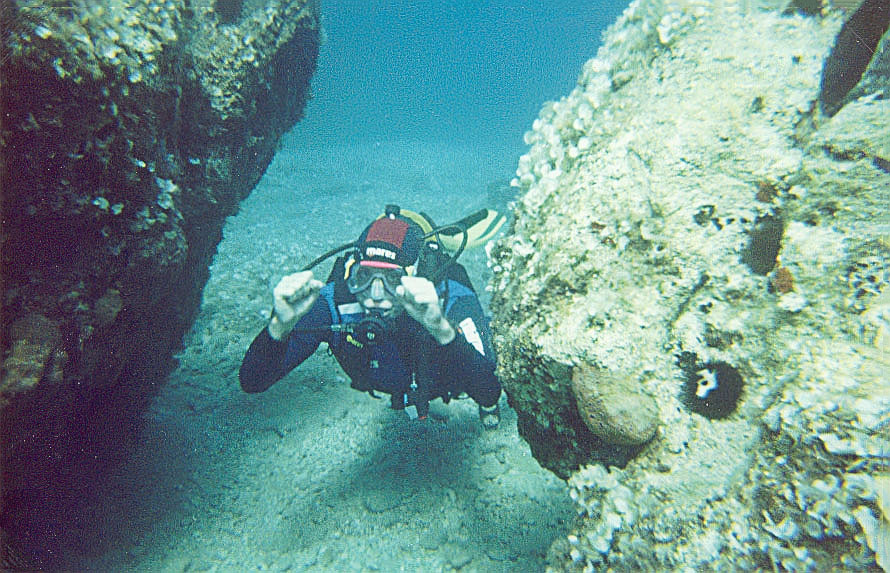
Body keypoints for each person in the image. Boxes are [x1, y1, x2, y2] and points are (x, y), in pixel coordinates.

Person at [239, 205, 503, 428]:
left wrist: (441, 328)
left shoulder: (451, 298)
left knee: (489, 350)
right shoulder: (335, 302)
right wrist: (279, 327)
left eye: (392, 279)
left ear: (414, 276)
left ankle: (437, 237)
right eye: (365, 276)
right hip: (397, 382)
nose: (376, 295)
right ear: (352, 272)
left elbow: (489, 392)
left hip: (443, 381)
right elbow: (253, 382)